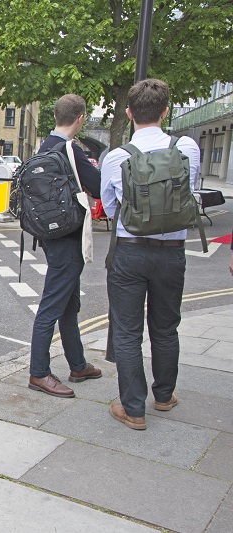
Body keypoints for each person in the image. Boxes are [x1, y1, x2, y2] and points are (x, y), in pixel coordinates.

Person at [100, 78, 201, 430]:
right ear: (166, 110)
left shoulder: (116, 157)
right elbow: (192, 193)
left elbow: (111, 210)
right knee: (166, 327)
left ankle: (133, 408)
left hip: (129, 252)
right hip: (172, 252)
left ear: (128, 114)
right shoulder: (186, 148)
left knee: (127, 332)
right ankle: (164, 396)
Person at [28, 94, 102, 399]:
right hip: (69, 238)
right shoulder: (72, 150)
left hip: (48, 235)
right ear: (81, 118)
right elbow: (97, 187)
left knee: (69, 306)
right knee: (51, 306)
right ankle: (39, 372)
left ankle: (78, 364)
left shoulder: (43, 147)